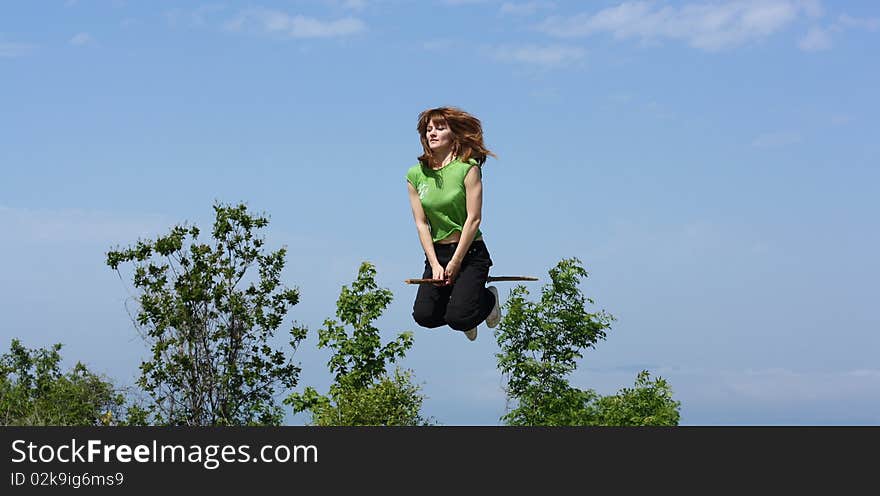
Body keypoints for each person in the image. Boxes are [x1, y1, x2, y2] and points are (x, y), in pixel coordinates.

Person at [406, 106, 501, 341]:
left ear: (454, 134)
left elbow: (474, 218)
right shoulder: (415, 175)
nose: (432, 133)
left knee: (459, 319)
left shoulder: (468, 168)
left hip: (469, 252)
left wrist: (456, 261)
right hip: (437, 254)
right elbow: (421, 224)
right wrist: (435, 264)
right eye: (428, 129)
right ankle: (465, 308)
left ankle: (486, 302)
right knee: (424, 316)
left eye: (440, 128)